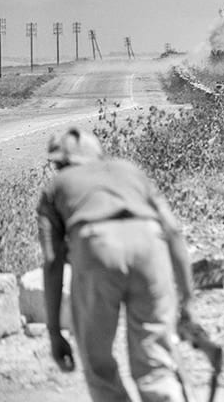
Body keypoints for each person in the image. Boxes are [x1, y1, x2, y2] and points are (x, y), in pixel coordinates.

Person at [36, 127, 195, 402]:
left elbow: (53, 261)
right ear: (99, 155)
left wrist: (54, 332)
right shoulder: (129, 170)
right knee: (156, 361)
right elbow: (174, 232)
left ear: (58, 163)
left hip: (96, 248)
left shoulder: (55, 187)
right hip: (149, 244)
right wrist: (188, 300)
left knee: (99, 365)